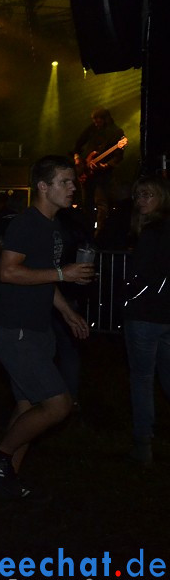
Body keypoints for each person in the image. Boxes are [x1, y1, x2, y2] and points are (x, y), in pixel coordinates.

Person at [0, 156, 94, 500]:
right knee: (58, 405)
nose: (73, 187)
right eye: (65, 181)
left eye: (73, 181)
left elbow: (41, 276)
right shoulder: (27, 224)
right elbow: (9, 272)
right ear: (43, 187)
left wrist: (65, 311)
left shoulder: (52, 226)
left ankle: (6, 479)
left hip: (37, 327)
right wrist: (64, 274)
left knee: (29, 406)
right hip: (14, 329)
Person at [121, 176, 170, 464]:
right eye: (138, 195)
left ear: (161, 198)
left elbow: (147, 277)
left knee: (142, 379)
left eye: (147, 195)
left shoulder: (154, 233)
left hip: (146, 316)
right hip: (163, 315)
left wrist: (129, 296)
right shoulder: (152, 231)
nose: (141, 200)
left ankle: (143, 443)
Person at [72, 107, 126, 233]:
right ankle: (87, 232)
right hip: (86, 171)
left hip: (103, 175)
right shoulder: (92, 129)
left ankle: (100, 234)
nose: (95, 124)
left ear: (105, 119)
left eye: (98, 121)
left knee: (101, 204)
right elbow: (78, 143)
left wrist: (106, 165)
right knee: (87, 204)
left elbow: (118, 156)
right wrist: (77, 158)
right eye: (94, 121)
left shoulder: (116, 132)